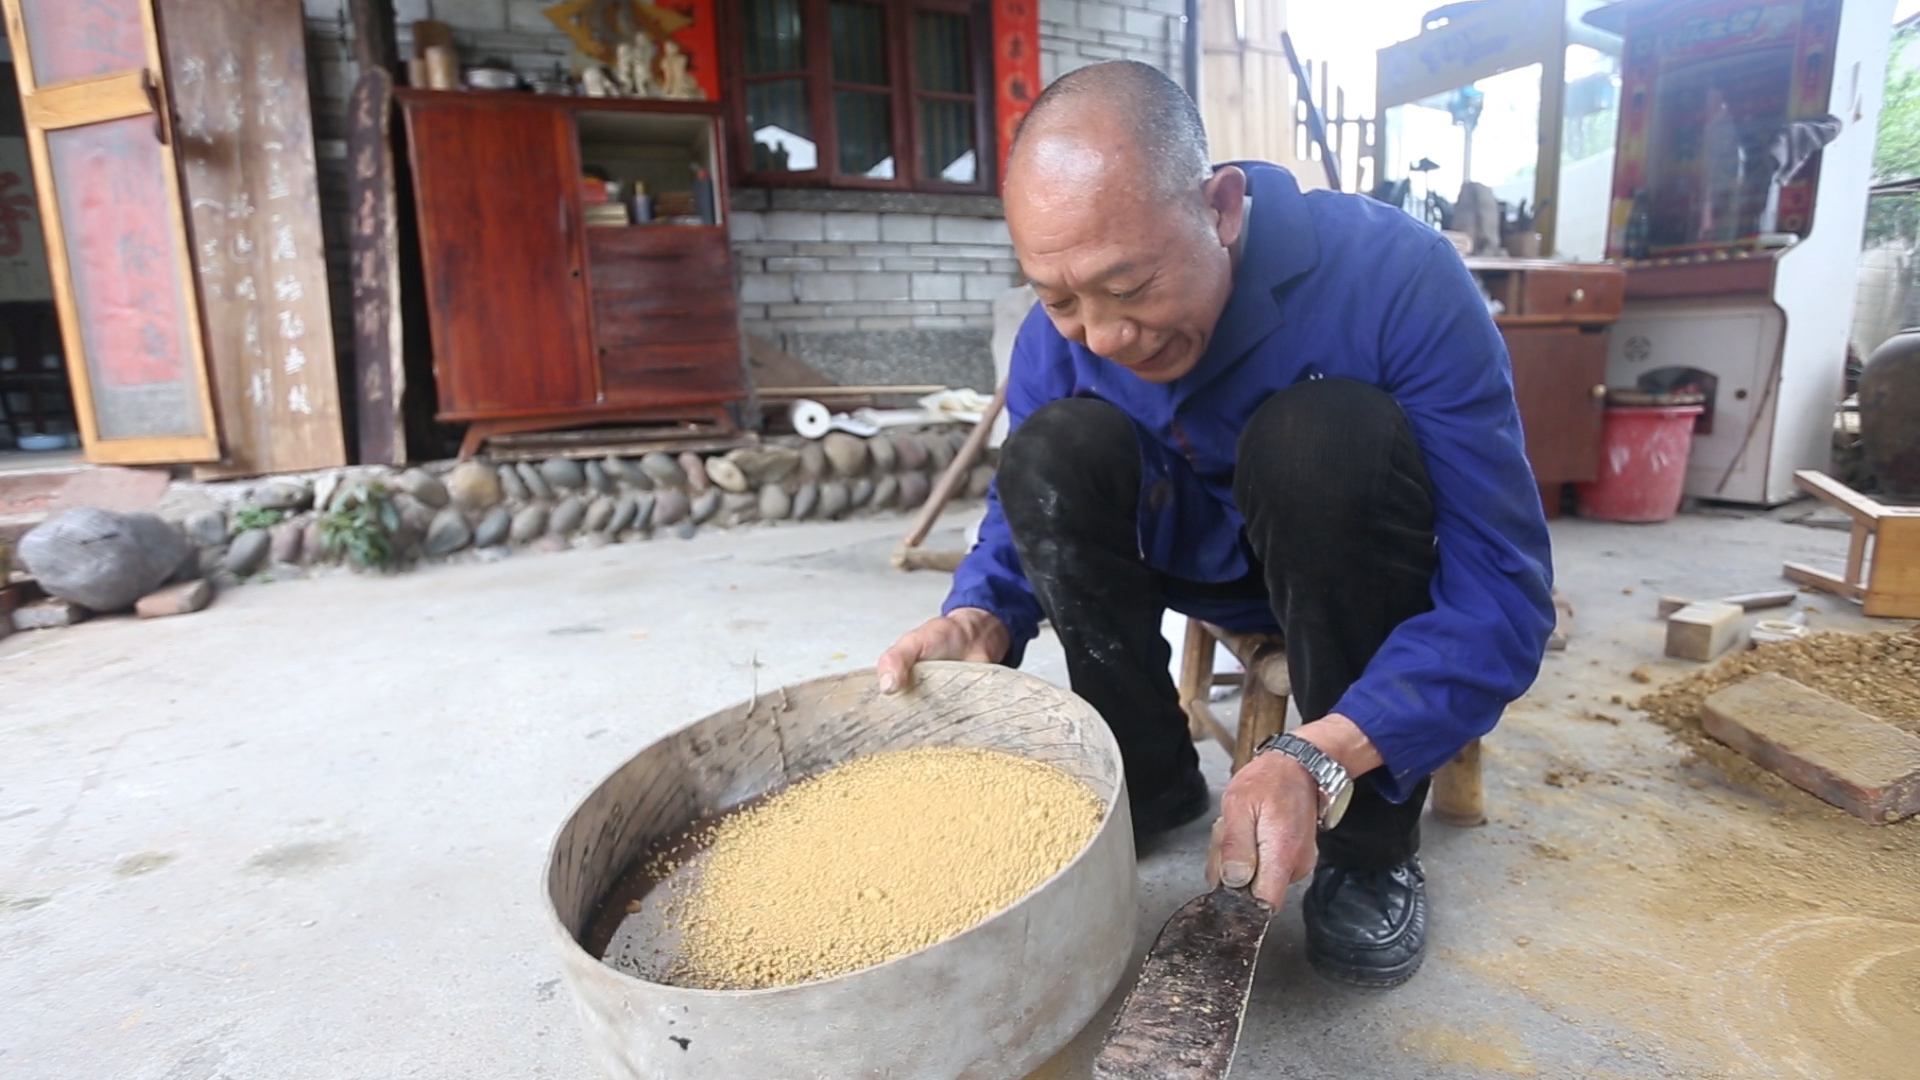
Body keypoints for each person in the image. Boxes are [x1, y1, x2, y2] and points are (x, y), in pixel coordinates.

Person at [876, 60, 1554, 988]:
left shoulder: (1398, 276)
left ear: (1223, 209)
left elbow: (1502, 592)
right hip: (1183, 548)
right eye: (1060, 296)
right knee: (1051, 446)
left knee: (1320, 437)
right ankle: (1146, 782)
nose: (1103, 336)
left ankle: (1367, 849)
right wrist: (983, 612)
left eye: (1131, 285)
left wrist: (1325, 756)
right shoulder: (1064, 335)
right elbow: (1017, 514)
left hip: (1348, 545)